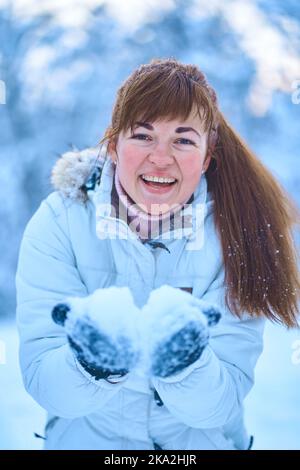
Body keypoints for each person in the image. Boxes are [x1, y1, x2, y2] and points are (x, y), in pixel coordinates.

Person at [16, 58, 299, 450]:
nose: (160, 157)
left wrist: (184, 365)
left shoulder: (238, 232)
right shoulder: (60, 222)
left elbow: (222, 403)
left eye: (183, 139)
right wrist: (91, 363)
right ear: (114, 145)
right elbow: (46, 384)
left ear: (206, 155)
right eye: (143, 136)